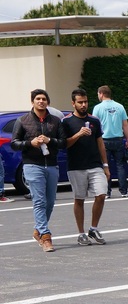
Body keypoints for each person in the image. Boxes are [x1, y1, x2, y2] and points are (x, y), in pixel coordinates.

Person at [11, 88, 66, 252]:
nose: (41, 101)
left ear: (48, 102)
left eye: (44, 99)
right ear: (32, 101)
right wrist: (30, 143)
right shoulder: (23, 120)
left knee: (50, 201)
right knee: (39, 201)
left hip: (52, 164)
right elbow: (14, 143)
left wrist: (50, 140)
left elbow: (63, 142)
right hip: (32, 164)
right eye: (38, 99)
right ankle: (46, 236)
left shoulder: (55, 121)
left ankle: (38, 230)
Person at [62, 88, 110, 246]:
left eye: (85, 102)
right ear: (73, 103)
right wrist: (78, 134)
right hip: (76, 166)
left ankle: (93, 228)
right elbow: (64, 144)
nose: (83, 105)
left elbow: (100, 143)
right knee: (79, 199)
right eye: (80, 102)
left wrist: (105, 165)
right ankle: (81, 233)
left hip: (95, 165)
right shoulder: (66, 121)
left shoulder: (94, 120)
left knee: (101, 194)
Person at [93, 85, 128, 198]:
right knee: (120, 165)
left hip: (104, 140)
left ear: (101, 94)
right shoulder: (120, 106)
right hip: (118, 139)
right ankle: (124, 191)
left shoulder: (97, 108)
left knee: (106, 165)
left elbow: (95, 125)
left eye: (98, 94)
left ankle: (107, 191)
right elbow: (125, 125)